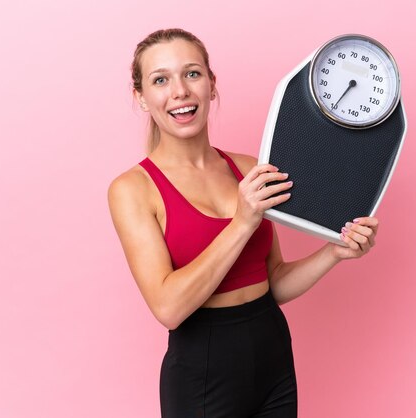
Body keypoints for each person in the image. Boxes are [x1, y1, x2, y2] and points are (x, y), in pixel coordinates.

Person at [108, 28, 379, 418]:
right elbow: (168, 308)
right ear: (142, 98)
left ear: (211, 86)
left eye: (192, 74)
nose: (180, 91)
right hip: (204, 373)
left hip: (272, 356)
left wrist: (334, 252)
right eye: (161, 79)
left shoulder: (250, 169)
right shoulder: (133, 189)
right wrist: (242, 222)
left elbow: (274, 282)